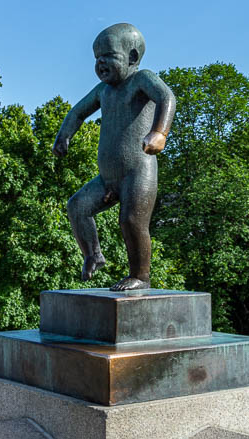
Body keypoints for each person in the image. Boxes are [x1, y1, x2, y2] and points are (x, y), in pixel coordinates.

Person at [52, 23, 176, 291]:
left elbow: (167, 97)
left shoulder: (141, 79)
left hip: (138, 171)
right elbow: (76, 113)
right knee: (78, 207)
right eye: (97, 58)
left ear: (131, 57)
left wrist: (159, 133)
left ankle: (141, 276)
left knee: (131, 220)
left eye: (109, 56)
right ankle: (93, 255)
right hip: (108, 178)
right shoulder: (103, 92)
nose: (101, 63)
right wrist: (63, 136)